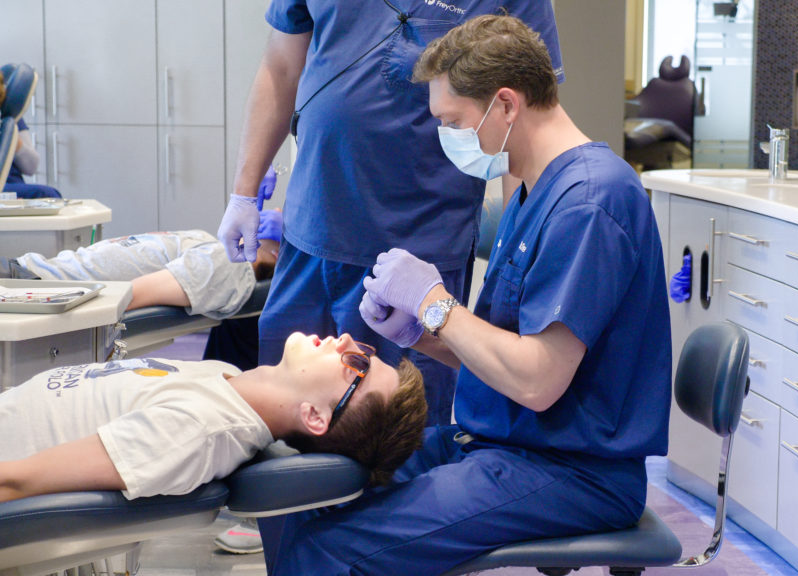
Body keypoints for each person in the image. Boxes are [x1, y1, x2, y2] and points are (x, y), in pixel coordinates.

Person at [255, 15, 672, 575]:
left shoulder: (591, 203)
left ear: (505, 105)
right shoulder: (531, 190)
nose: (444, 138)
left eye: (452, 121)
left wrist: (437, 305)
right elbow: (507, 354)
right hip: (502, 442)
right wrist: (418, 337)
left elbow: (538, 381)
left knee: (328, 548)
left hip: (572, 472)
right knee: (319, 496)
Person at [216, 1, 563, 429]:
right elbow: (281, 69)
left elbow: (524, 116)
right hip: (310, 236)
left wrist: (514, 260)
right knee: (284, 421)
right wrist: (243, 195)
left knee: (396, 440)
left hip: (421, 253)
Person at [0, 332, 428, 504]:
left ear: (316, 417)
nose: (349, 340)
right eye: (367, 353)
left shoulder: (198, 430)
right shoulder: (227, 379)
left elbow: (15, 481)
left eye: (357, 364)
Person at [0, 209, 282, 319]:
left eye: (287, 213)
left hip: (32, 288)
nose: (279, 208)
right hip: (27, 273)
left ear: (280, 254)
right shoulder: (214, 247)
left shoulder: (229, 265)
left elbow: (126, 296)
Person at [0, 73, 60, 199]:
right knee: (46, 194)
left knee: (48, 195)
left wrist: (10, 137)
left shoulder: (10, 119)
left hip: (13, 186)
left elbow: (31, 167)